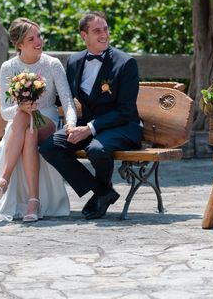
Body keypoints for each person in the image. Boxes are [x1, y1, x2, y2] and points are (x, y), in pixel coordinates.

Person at [40, 12, 142, 220]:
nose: (104, 34)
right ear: (83, 35)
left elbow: (125, 111)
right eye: (97, 31)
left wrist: (89, 128)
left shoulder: (125, 63)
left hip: (122, 126)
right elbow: (64, 97)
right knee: (50, 147)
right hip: (87, 125)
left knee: (97, 149)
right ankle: (102, 191)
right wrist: (36, 94)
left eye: (105, 29)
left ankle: (101, 193)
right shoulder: (75, 61)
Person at [0, 17, 76, 221]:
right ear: (19, 45)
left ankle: (3, 179)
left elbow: (68, 102)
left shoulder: (52, 64)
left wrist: (71, 123)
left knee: (28, 121)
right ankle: (33, 201)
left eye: (38, 36)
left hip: (48, 120)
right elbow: (4, 111)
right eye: (31, 39)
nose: (39, 41)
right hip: (22, 125)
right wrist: (21, 107)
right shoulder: (8, 67)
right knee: (25, 121)